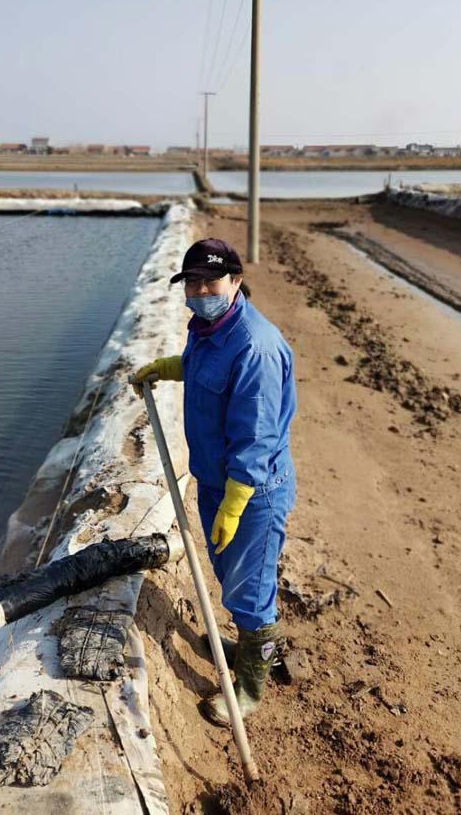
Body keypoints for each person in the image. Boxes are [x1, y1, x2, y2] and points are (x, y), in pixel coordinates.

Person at [133, 237, 297, 725]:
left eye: (211, 281)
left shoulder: (256, 347)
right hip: (214, 481)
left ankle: (250, 687)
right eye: (193, 282)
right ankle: (249, 646)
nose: (201, 290)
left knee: (250, 590)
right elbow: (206, 372)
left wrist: (234, 503)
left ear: (236, 281)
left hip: (251, 492)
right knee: (233, 578)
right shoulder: (208, 329)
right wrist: (169, 368)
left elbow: (256, 436)